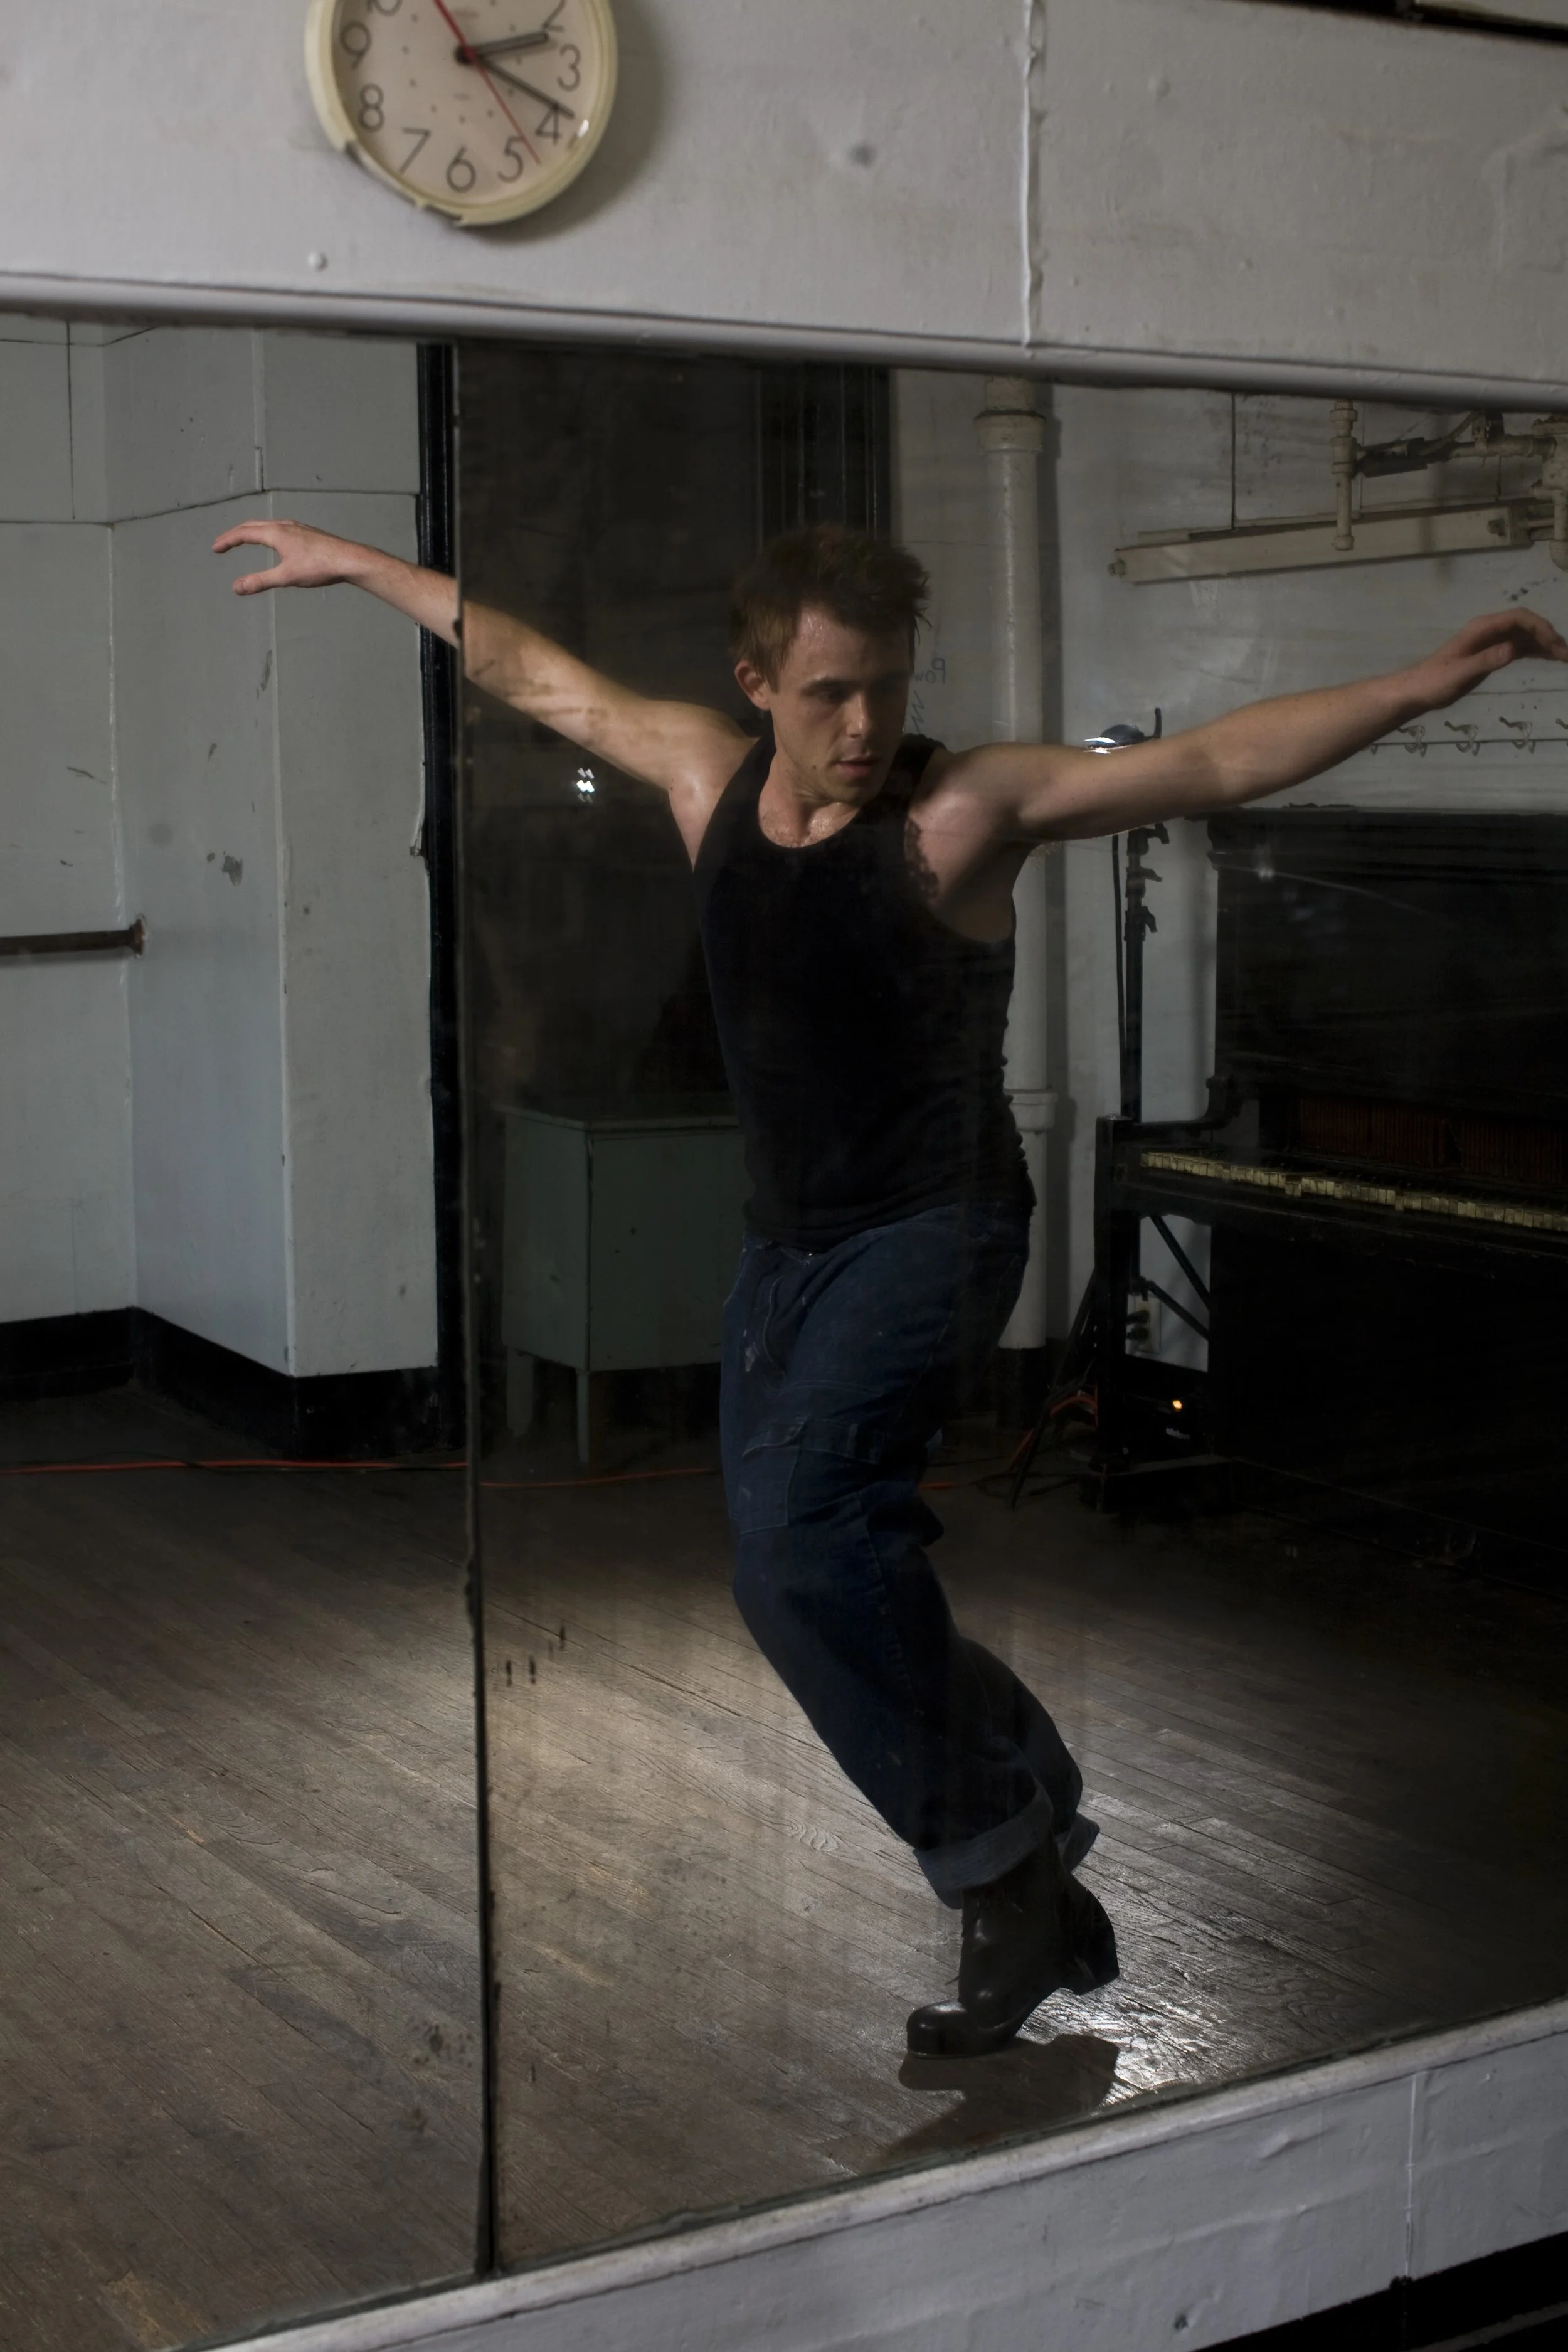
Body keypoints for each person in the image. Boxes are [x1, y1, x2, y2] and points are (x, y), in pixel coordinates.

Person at [213, 511, 1567, 2057]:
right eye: (827, 695)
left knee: (802, 1545)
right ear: (755, 685)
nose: (864, 727)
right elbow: (535, 673)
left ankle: (1005, 1876)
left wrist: (1411, 688)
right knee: (786, 1574)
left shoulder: (957, 810)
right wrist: (359, 565)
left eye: (886, 689)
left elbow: (1205, 765)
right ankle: (1027, 1813)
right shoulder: (698, 776)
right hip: (787, 1242)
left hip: (938, 1223)